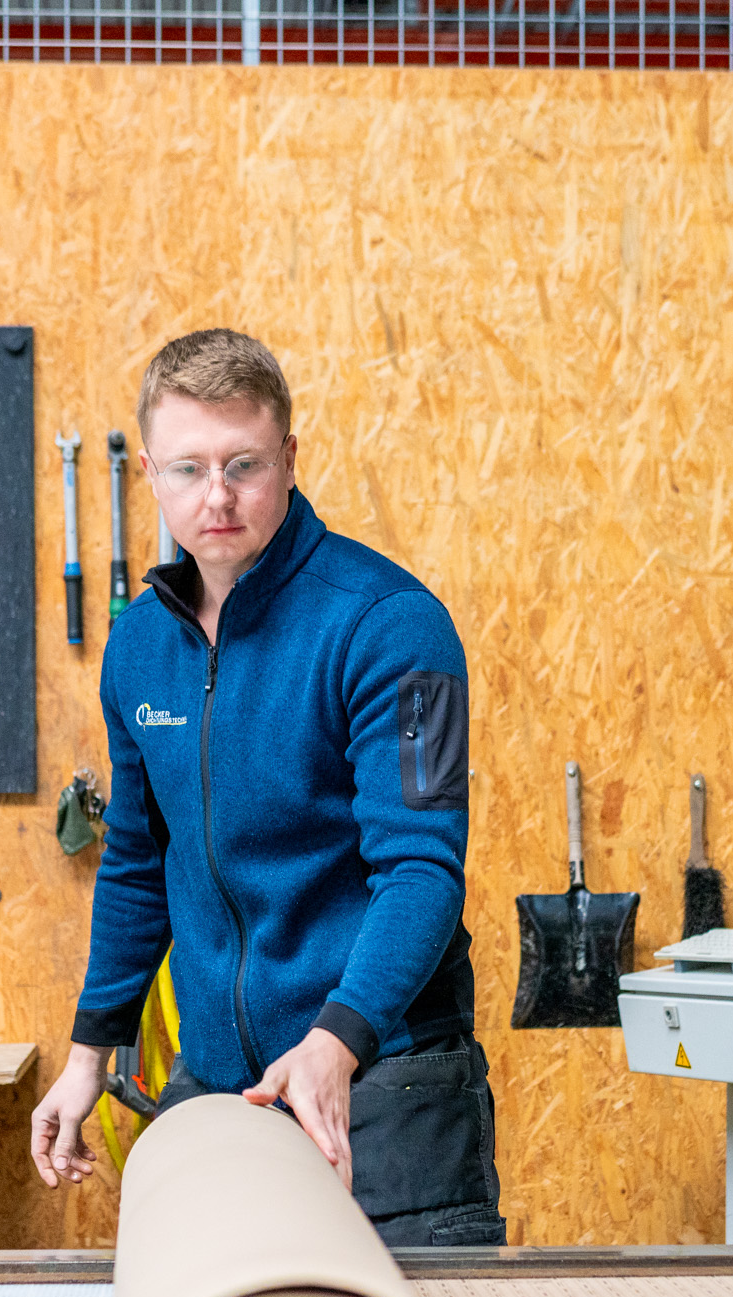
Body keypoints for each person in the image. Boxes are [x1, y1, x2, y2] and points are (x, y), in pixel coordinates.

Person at [28, 328, 503, 1247]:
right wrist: (91, 1052)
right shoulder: (138, 647)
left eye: (242, 463)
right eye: (188, 468)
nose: (216, 496)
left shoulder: (399, 626)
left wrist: (336, 1043)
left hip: (382, 1083)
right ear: (153, 478)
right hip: (218, 1090)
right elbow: (135, 859)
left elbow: (424, 872)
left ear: (289, 457)